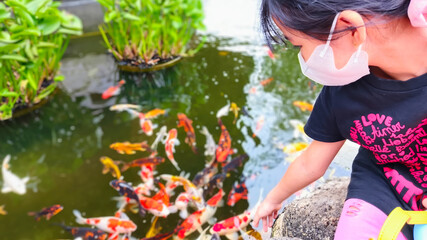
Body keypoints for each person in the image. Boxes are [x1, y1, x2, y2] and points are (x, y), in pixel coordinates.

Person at [252, 0, 427, 239]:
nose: (302, 59)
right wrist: (272, 199)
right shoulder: (340, 94)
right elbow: (310, 163)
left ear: (350, 28)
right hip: (384, 188)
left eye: (298, 46)